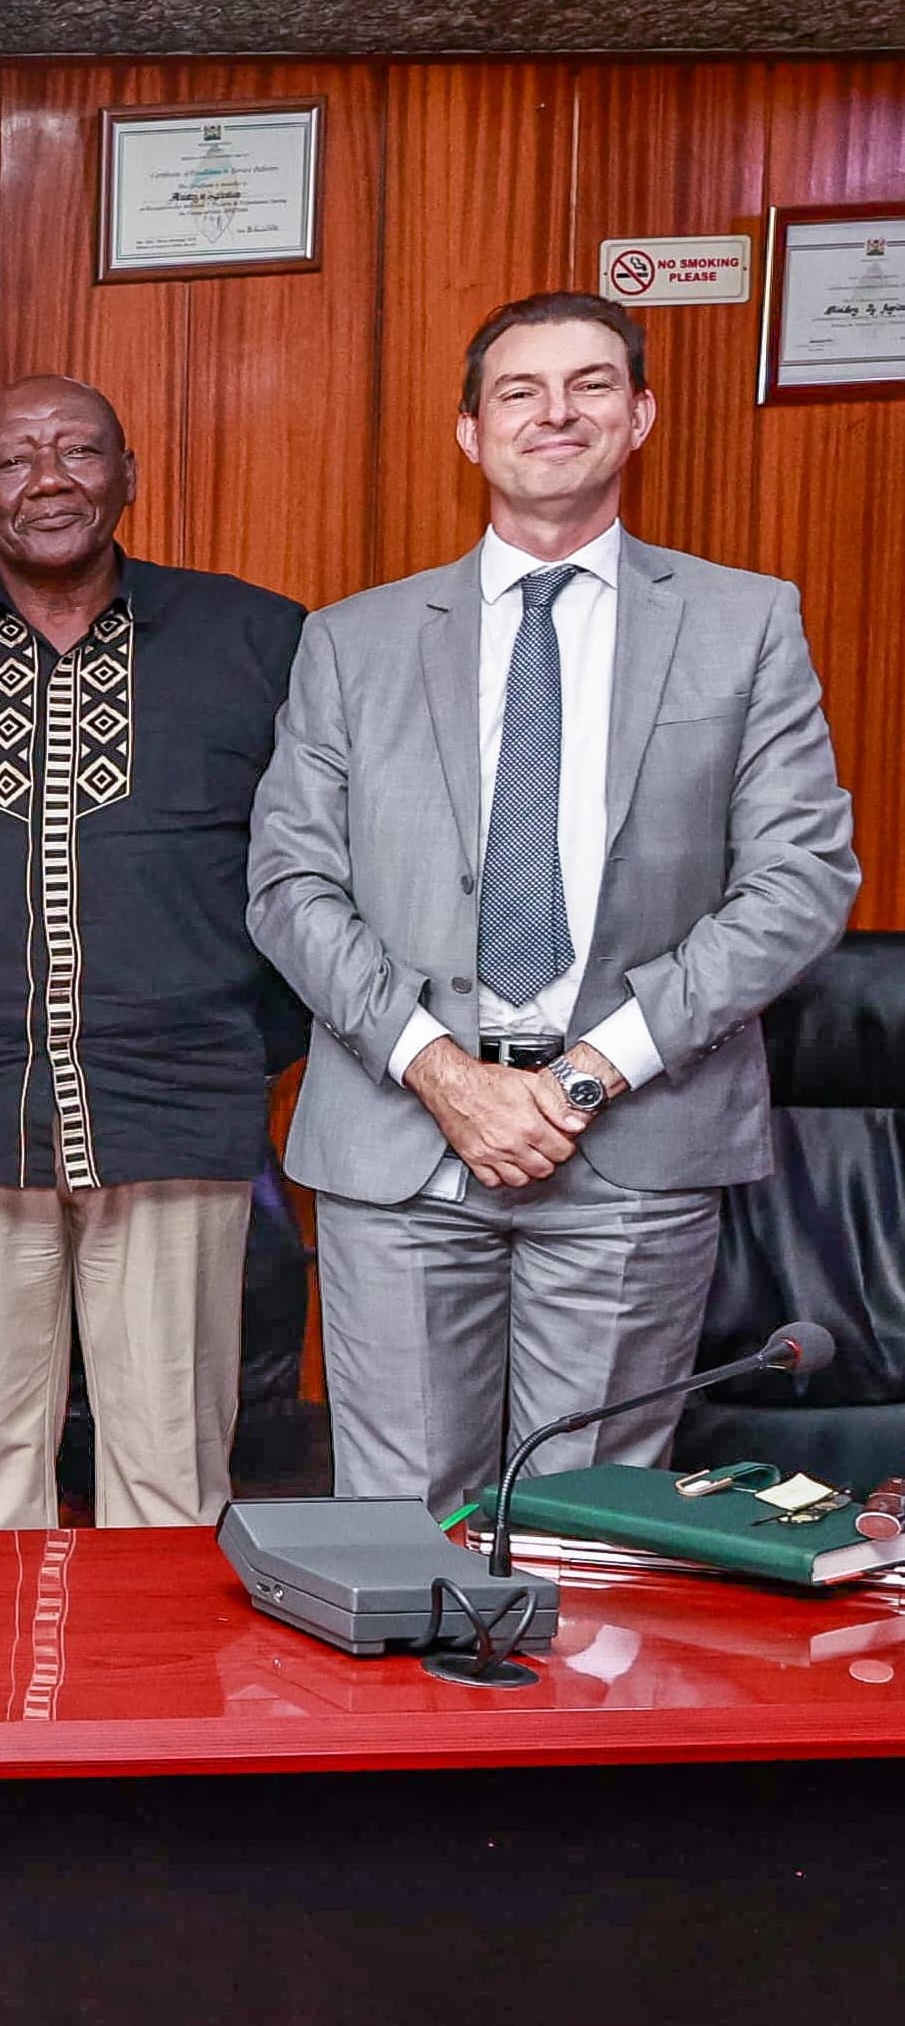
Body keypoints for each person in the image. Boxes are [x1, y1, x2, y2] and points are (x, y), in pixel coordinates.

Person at [249, 292, 856, 1510]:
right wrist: (443, 1074)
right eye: (518, 391)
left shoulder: (744, 623)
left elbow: (798, 879)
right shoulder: (353, 642)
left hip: (635, 1142)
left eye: (589, 385)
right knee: (404, 1521)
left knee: (594, 1524)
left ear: (639, 417)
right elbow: (288, 883)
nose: (555, 413)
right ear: (470, 432)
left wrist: (586, 1075)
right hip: (401, 1145)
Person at [0, 379, 310, 1531]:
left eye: (79, 452)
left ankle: (154, 1671)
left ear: (127, 476)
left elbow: (314, 882)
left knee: (172, 1484)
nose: (47, 480)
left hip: (176, 1117)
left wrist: (234, 1051)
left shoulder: (257, 643)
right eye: (13, 461)